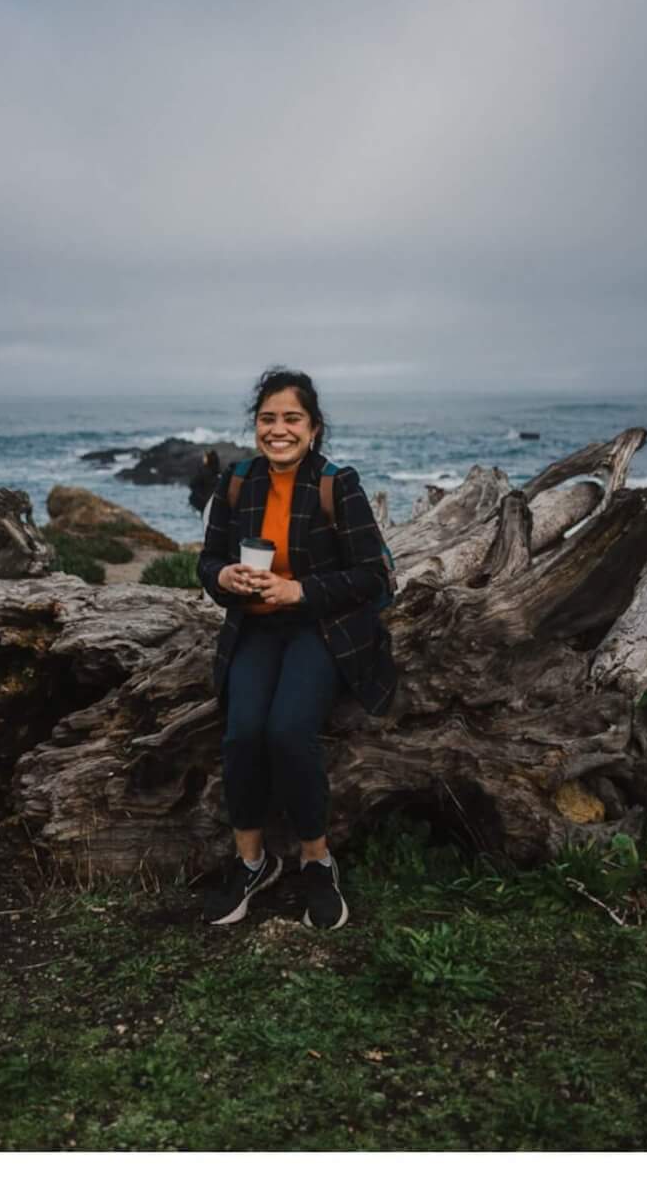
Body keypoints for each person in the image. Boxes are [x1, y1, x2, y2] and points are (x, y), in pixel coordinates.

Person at [194, 368, 397, 928]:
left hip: (322, 627)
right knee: (241, 734)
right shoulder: (237, 481)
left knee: (288, 732)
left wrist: (299, 589)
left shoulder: (337, 483)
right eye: (267, 418)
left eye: (291, 419)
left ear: (313, 427)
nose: (277, 429)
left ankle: (316, 858)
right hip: (256, 628)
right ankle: (252, 861)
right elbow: (207, 563)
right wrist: (226, 579)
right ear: (255, 425)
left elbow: (372, 578)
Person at [187, 448, 222, 519]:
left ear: (208, 459)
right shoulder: (218, 472)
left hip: (204, 502)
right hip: (213, 503)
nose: (203, 458)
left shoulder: (204, 471)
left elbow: (192, 484)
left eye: (205, 457)